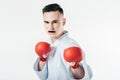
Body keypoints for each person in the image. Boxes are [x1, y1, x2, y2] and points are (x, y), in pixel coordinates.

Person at [33, 3, 93, 80]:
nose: (50, 27)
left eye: (55, 22)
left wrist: (75, 66)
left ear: (63, 22)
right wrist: (42, 59)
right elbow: (43, 76)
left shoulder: (71, 45)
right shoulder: (48, 43)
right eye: (47, 22)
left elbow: (84, 78)